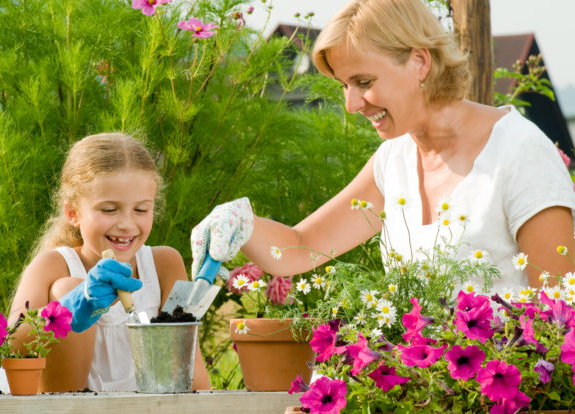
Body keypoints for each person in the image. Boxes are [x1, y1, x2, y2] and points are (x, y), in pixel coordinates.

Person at [191, 0, 575, 297]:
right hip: (419, 388)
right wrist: (241, 223)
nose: (352, 104)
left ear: (419, 62)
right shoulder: (394, 162)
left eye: (363, 81)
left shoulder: (519, 151)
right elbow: (300, 247)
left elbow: (556, 316)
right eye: (345, 85)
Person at [0, 133, 210, 393]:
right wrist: (70, 307)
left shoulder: (164, 264)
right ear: (73, 213)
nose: (126, 224)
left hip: (140, 408)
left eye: (141, 210)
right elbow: (11, 343)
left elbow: (193, 373)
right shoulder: (53, 264)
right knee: (66, 287)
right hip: (52, 406)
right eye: (109, 210)